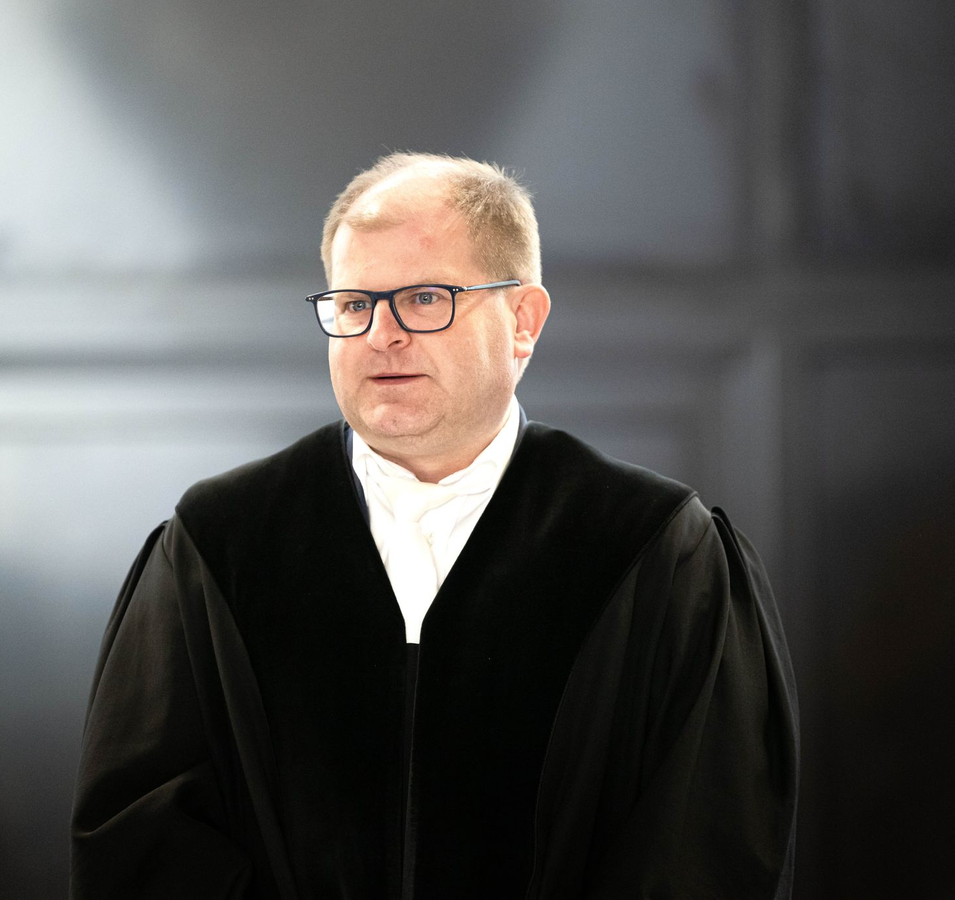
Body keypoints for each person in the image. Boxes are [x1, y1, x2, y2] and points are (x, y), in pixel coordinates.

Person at [70, 153, 799, 899]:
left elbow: (704, 854)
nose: (381, 335)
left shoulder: (654, 549)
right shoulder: (220, 545)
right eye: (354, 303)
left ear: (523, 321)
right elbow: (141, 844)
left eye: (425, 298)